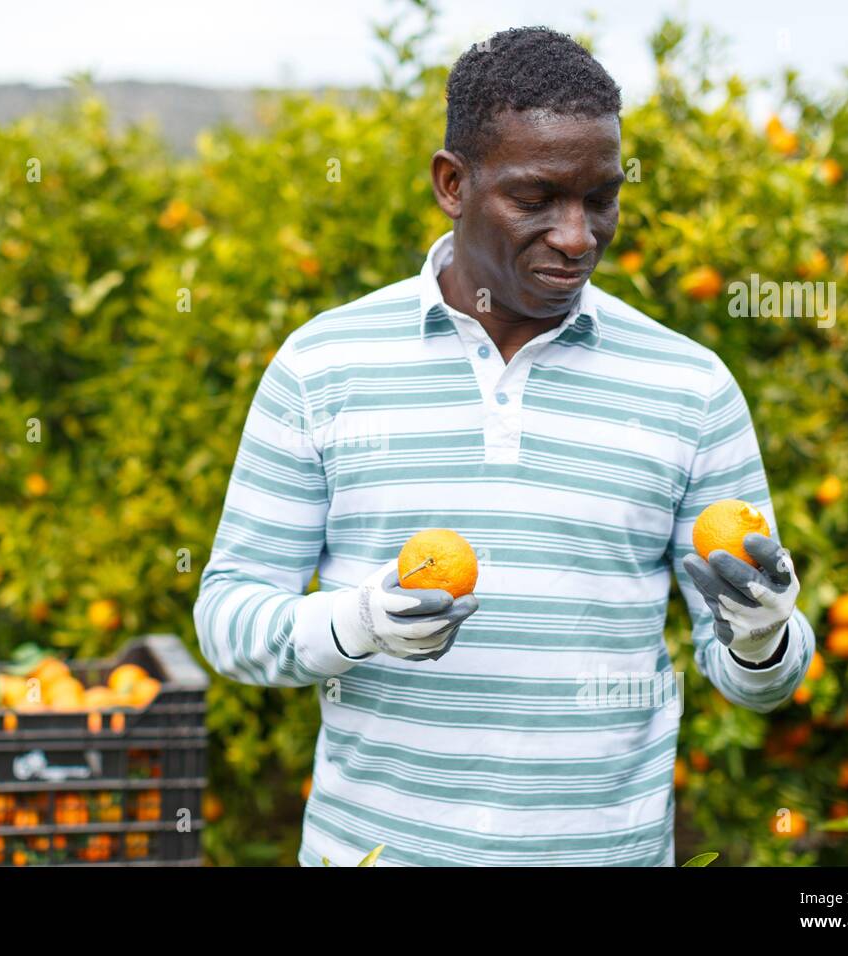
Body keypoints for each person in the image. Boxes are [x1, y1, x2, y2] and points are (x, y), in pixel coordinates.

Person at [193, 26, 814, 866]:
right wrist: (360, 622)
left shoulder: (688, 386)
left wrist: (763, 635)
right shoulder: (325, 365)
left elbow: (753, 679)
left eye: (602, 198)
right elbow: (229, 616)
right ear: (453, 183)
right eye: (538, 198)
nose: (577, 235)